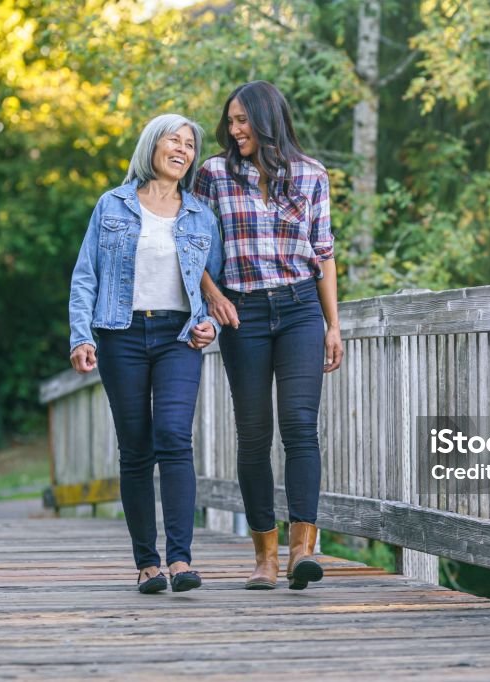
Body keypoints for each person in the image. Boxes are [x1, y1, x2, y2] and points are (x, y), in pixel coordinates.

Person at [195, 81, 343, 591]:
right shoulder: (213, 174)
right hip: (244, 314)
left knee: (301, 426)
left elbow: (323, 254)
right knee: (254, 434)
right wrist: (213, 295)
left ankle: (303, 549)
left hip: (300, 308)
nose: (235, 130)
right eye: (230, 121)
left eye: (243, 120)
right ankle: (264, 557)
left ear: (267, 119)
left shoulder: (312, 175)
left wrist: (333, 325)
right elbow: (189, 243)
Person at [69, 113, 222, 594]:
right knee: (135, 447)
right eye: (173, 141)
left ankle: (180, 559)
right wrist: (81, 336)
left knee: (174, 436)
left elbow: (214, 289)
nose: (182, 150)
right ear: (151, 147)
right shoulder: (111, 206)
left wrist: (210, 325)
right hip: (121, 335)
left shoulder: (201, 215)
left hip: (178, 338)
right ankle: (147, 564)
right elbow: (85, 275)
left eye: (190, 145)